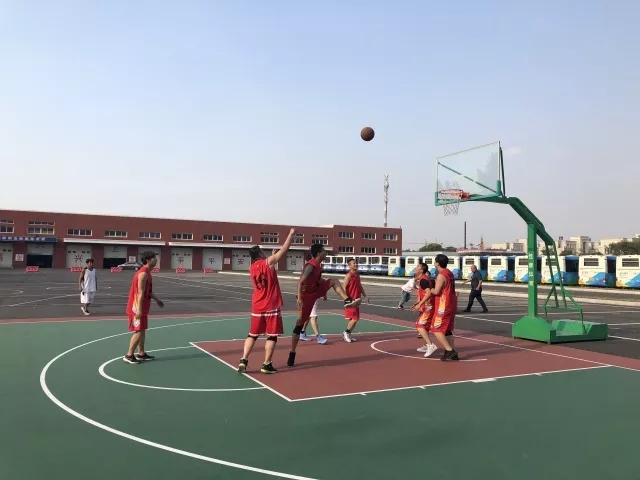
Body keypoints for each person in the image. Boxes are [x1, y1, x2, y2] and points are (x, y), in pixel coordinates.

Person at [287, 243, 360, 367]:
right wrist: (299, 298)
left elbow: (319, 280)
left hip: (315, 291)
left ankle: (347, 300)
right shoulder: (310, 265)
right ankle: (292, 352)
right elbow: (300, 282)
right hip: (305, 298)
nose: (326, 253)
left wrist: (324, 291)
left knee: (334, 280)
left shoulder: (319, 266)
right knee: (299, 326)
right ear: (319, 253)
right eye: (324, 251)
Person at [238, 228, 297, 374]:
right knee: (272, 336)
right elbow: (284, 249)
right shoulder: (268, 262)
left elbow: (267, 272)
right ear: (259, 253)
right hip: (270, 304)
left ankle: (244, 359)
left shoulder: (251, 267)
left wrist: (271, 258)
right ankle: (266, 364)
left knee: (252, 334)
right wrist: (290, 235)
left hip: (257, 305)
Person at [123, 251, 164, 364]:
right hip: (136, 307)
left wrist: (157, 300)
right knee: (139, 331)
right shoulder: (143, 274)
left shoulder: (148, 273)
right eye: (154, 258)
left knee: (142, 330)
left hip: (142, 307)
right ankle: (129, 355)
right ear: (148, 260)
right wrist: (139, 310)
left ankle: (141, 353)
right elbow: (140, 293)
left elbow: (148, 291)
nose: (156, 259)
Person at [429, 254, 460, 361]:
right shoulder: (449, 273)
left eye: (435, 261)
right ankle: (450, 350)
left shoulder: (441, 275)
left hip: (444, 305)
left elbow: (436, 291)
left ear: (437, 263)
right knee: (447, 330)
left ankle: (450, 351)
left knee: (436, 328)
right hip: (451, 304)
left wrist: (429, 288)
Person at [410, 263, 438, 357]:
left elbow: (428, 293)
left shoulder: (423, 280)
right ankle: (427, 345)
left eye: (418, 267)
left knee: (419, 325)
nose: (416, 267)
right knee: (424, 326)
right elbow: (424, 293)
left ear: (421, 270)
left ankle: (431, 345)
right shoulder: (424, 279)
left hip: (429, 306)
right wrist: (418, 303)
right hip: (427, 305)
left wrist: (420, 304)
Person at [342, 257, 369, 343]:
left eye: (356, 263)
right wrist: (347, 300)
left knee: (354, 319)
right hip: (351, 301)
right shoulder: (348, 276)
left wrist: (365, 296)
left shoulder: (357, 274)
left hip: (357, 301)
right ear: (349, 266)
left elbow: (359, 286)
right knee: (354, 319)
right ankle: (346, 332)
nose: (356, 264)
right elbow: (343, 288)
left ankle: (348, 334)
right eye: (354, 263)